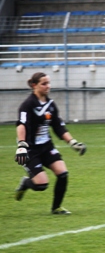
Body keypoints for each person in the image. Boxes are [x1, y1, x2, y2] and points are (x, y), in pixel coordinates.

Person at [14, 72, 87, 215]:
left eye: (49, 83)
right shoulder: (28, 105)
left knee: (63, 174)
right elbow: (21, 125)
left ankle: (56, 208)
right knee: (41, 185)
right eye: (44, 83)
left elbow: (58, 127)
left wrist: (72, 142)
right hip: (30, 149)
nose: (48, 86)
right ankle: (26, 183)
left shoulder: (51, 105)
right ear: (34, 85)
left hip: (46, 147)